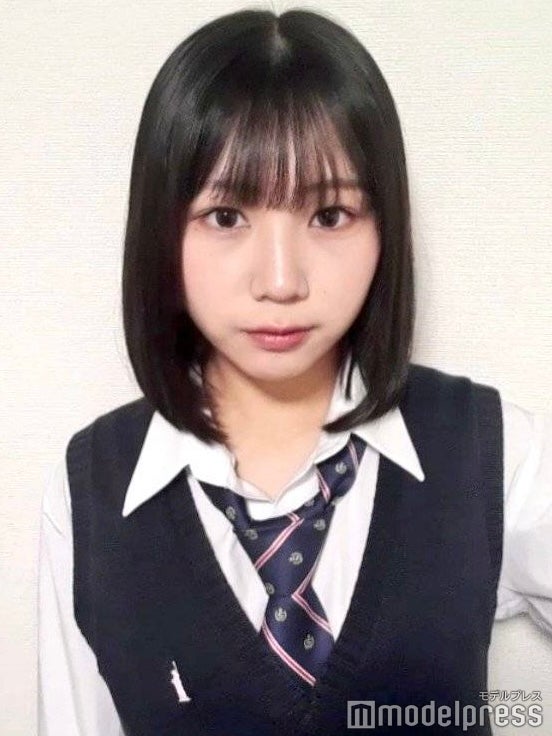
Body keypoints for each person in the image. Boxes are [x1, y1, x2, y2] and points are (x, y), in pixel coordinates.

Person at [37, 7, 551, 736]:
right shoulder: (90, 492)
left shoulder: (492, 453)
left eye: (330, 215)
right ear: (161, 229)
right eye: (225, 216)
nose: (280, 282)